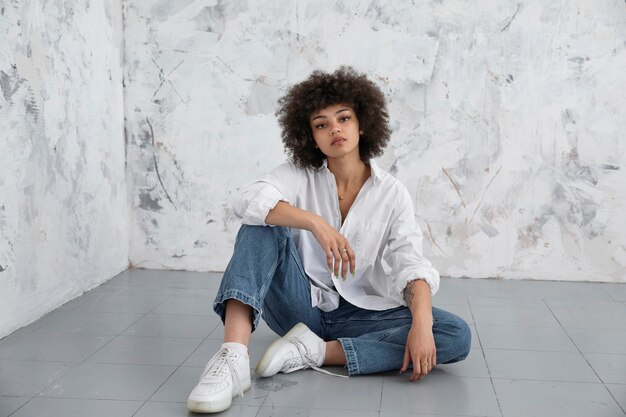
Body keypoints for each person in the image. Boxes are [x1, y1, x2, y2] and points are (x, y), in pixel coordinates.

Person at [187, 67, 471, 414]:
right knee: (262, 221)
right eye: (321, 124)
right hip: (298, 304)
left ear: (362, 123)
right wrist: (315, 223)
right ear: (311, 137)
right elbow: (246, 200)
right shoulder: (298, 174)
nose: (334, 128)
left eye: (344, 118)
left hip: (358, 312)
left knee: (454, 334)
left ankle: (316, 351)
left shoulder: (392, 193)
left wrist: (423, 326)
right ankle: (232, 359)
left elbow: (409, 263)